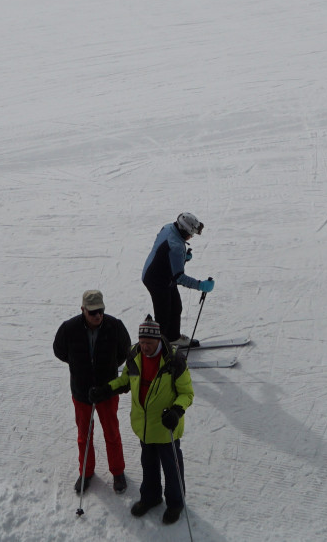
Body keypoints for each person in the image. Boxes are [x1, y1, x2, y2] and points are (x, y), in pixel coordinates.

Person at [93, 316, 194, 524]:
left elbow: (187, 393)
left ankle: (175, 503)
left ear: (158, 340)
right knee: (148, 465)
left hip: (166, 427)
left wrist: (176, 411)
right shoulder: (134, 354)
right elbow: (126, 380)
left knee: (172, 468)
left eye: (149, 343)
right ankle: (151, 497)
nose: (145, 347)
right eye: (142, 342)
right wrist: (106, 390)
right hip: (144, 426)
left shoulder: (174, 360)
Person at [52, 288, 132, 495]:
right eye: (93, 312)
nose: (98, 316)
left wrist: (108, 370)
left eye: (101, 311)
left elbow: (124, 352)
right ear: (83, 310)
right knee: (84, 435)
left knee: (112, 432)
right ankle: (86, 472)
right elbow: (59, 350)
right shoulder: (69, 328)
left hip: (107, 390)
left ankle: (118, 471)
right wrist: (79, 366)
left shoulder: (115, 326)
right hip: (82, 392)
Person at [141, 211, 213, 348]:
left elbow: (164, 252)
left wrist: (182, 257)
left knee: (176, 307)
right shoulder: (176, 246)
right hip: (156, 280)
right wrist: (201, 285)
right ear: (185, 231)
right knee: (163, 315)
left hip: (161, 274)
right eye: (191, 234)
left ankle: (173, 338)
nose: (191, 237)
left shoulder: (168, 227)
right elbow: (179, 277)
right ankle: (157, 347)